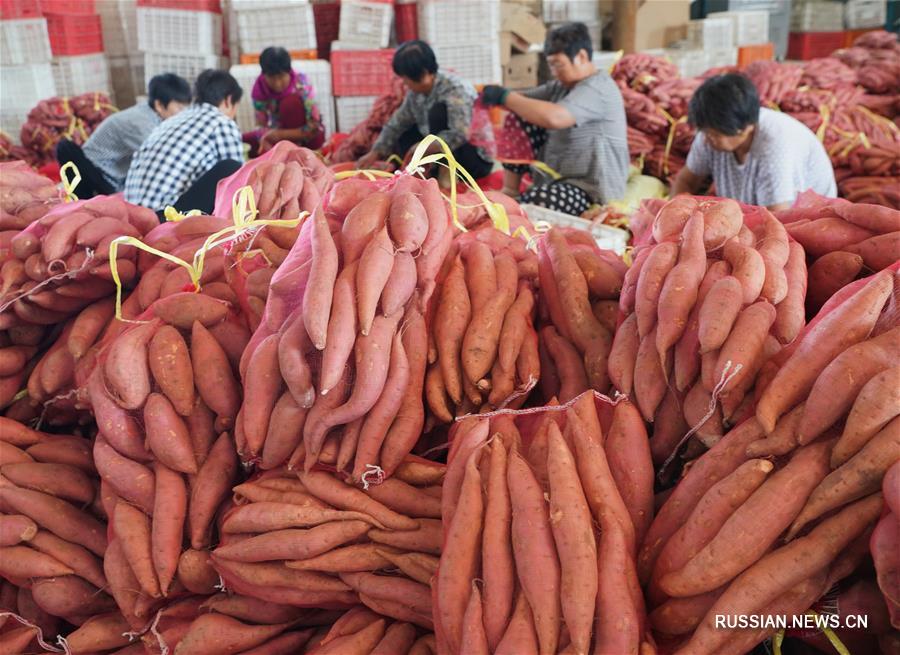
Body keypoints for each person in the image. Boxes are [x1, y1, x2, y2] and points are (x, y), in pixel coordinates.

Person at [480, 22, 629, 215]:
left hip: (590, 189)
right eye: (551, 65)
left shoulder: (598, 88)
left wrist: (506, 96)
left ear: (582, 57)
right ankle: (511, 190)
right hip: (559, 180)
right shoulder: (561, 87)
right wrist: (497, 96)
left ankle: (523, 200)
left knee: (535, 204)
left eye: (558, 65)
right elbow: (523, 101)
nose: (553, 72)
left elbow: (555, 117)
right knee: (519, 113)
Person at [671, 73, 837, 211]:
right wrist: (678, 212)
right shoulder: (709, 132)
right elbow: (686, 181)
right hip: (750, 214)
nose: (706, 141)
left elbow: (777, 217)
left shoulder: (773, 145)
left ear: (747, 127)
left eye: (714, 135)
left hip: (806, 218)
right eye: (704, 132)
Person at [357, 40, 493, 179]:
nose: (404, 83)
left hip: (473, 158)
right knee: (403, 132)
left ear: (423, 74)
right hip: (438, 149)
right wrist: (376, 152)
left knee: (437, 113)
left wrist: (423, 147)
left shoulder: (455, 89)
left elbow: (459, 134)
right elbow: (396, 124)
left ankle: (445, 177)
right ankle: (422, 173)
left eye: (406, 79)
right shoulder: (415, 93)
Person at [125, 69, 244, 217]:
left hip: (135, 213)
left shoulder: (178, 118)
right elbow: (240, 183)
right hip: (163, 216)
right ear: (228, 100)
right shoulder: (222, 122)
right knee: (231, 167)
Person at [56, 73, 191, 198]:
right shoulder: (139, 122)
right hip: (97, 172)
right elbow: (164, 156)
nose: (184, 113)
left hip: (114, 172)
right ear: (159, 105)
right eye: (179, 108)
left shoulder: (154, 115)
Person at [243, 46, 325, 157]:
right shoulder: (259, 89)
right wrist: (267, 136)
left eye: (281, 77)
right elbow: (261, 124)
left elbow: (313, 127)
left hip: (305, 137)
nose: (277, 83)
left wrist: (279, 135)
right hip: (277, 135)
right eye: (272, 77)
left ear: (289, 71)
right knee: (243, 140)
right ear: (264, 75)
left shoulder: (301, 83)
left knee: (289, 104)